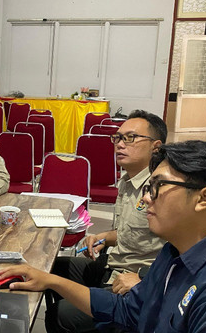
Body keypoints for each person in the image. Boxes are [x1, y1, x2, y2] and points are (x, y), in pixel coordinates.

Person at [0, 140, 206, 332]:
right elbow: (127, 310)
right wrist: (49, 279)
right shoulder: (175, 252)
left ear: (204, 198)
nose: (146, 198)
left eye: (158, 186)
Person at [46, 110, 167, 332]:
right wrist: (103, 237)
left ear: (156, 146)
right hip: (113, 265)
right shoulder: (128, 180)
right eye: (118, 138)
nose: (120, 144)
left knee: (62, 314)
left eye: (130, 138)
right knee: (52, 269)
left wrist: (145, 280)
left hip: (135, 282)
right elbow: (131, 231)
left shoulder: (164, 189)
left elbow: (184, 251)